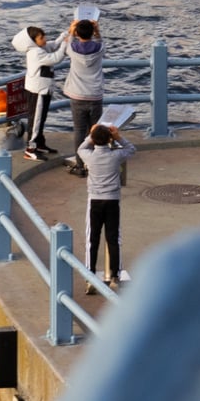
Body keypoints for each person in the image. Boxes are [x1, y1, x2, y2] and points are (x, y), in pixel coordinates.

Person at [79, 119, 136, 285]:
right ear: (109, 139)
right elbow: (131, 149)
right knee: (113, 238)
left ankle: (90, 275)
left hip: (94, 200)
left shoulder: (89, 156)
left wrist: (92, 134)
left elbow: (81, 148)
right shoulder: (116, 156)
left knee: (92, 238)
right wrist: (118, 137)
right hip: (112, 201)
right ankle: (115, 275)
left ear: (93, 139)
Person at [61, 4, 105, 174]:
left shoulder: (72, 49)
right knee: (95, 130)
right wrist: (97, 31)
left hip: (77, 95)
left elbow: (68, 44)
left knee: (79, 131)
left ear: (78, 33)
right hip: (95, 95)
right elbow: (100, 41)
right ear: (92, 33)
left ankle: (80, 165)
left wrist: (71, 30)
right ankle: (96, 163)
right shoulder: (99, 48)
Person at [12, 25, 63, 159]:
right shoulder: (36, 53)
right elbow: (55, 58)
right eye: (41, 37)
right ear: (33, 41)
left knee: (41, 118)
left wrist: (66, 35)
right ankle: (31, 148)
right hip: (38, 91)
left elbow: (54, 45)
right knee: (36, 119)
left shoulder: (40, 48)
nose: (44, 39)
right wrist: (66, 46)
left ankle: (39, 143)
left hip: (44, 89)